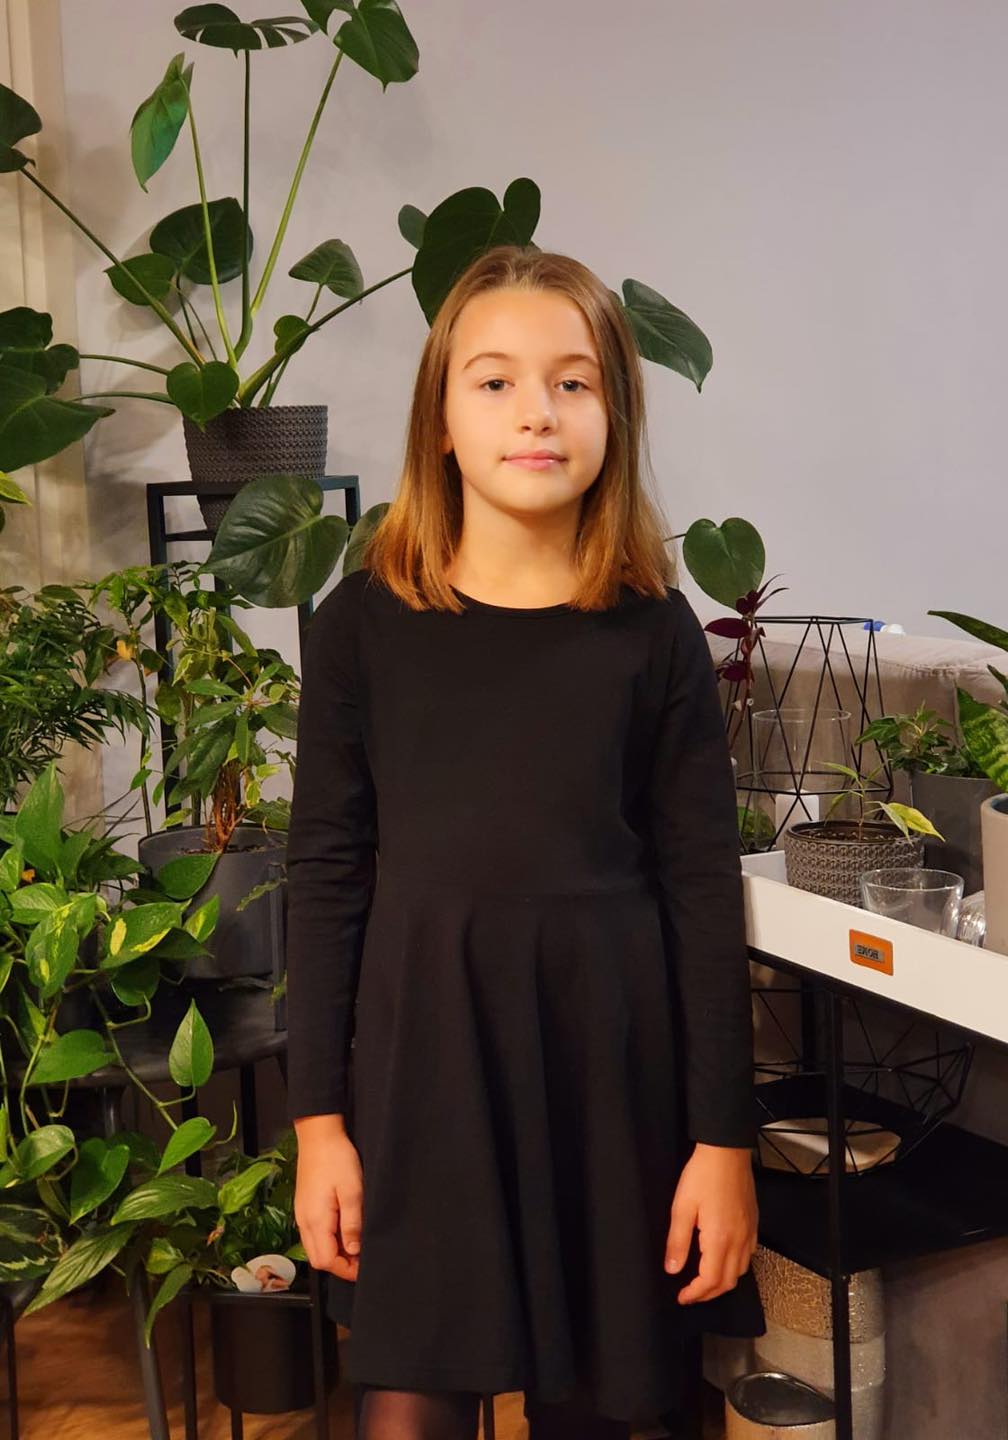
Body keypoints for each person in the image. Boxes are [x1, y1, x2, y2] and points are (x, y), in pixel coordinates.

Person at [286, 243, 765, 1440]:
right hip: (421, 1076)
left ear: (614, 414)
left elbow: (702, 890)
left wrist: (722, 1142)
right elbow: (326, 876)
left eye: (572, 381)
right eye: (494, 381)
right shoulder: (360, 627)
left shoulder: (654, 633)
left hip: (615, 1083)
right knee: (408, 1402)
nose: (536, 412)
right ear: (440, 421)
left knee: (613, 1410)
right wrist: (317, 1124)